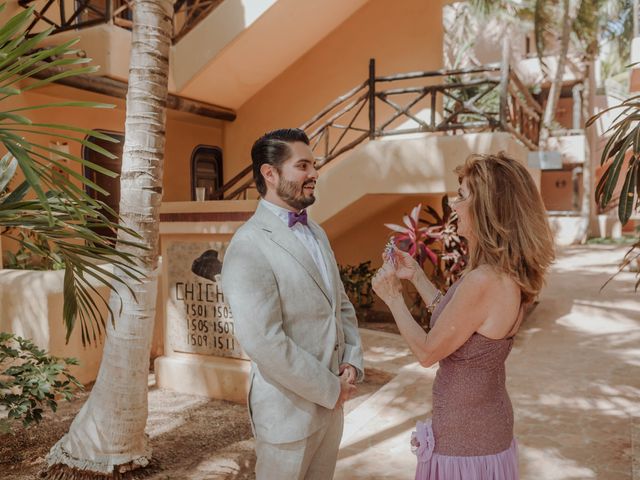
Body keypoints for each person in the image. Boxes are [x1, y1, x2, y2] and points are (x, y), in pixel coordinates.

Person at [372, 152, 555, 479]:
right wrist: (417, 276)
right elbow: (461, 323)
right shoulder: (502, 273)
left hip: (466, 442)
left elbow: (428, 352)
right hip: (484, 432)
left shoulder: (484, 280)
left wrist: (393, 299)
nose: (453, 206)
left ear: (487, 209)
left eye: (462, 196)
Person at [221, 128, 364, 480]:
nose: (314, 174)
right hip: (287, 417)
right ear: (270, 174)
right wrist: (332, 389)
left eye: (313, 165)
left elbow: (340, 305)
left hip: (331, 413)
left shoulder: (317, 232)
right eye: (303, 166)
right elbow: (263, 340)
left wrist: (352, 362)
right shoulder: (248, 245)